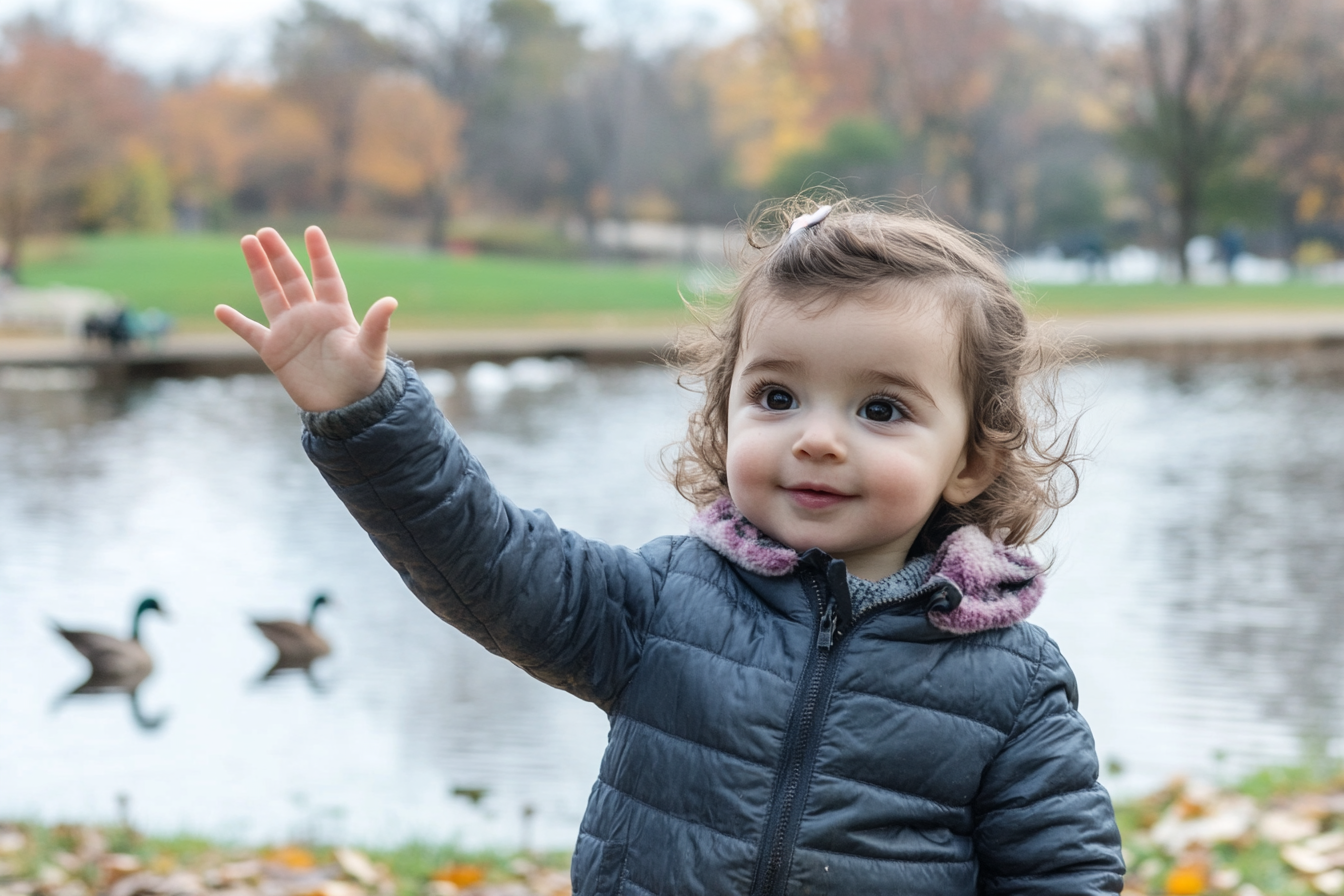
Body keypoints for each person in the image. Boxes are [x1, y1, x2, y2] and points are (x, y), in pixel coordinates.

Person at [215, 198, 1125, 894]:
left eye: (880, 409)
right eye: (776, 397)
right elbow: (484, 560)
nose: (816, 438)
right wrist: (366, 416)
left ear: (968, 460)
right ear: (723, 409)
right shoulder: (665, 601)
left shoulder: (1011, 681)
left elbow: (1064, 875)